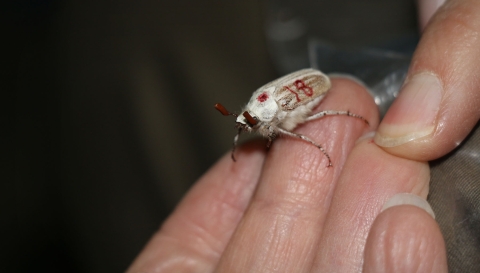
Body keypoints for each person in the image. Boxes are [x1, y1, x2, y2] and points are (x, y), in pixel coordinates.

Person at [127, 0, 480, 271]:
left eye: (248, 123)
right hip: (295, 85)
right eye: (248, 123)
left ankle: (335, 120)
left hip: (314, 87)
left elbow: (283, 117)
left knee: (322, 117)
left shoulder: (269, 109)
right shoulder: (258, 112)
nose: (250, 127)